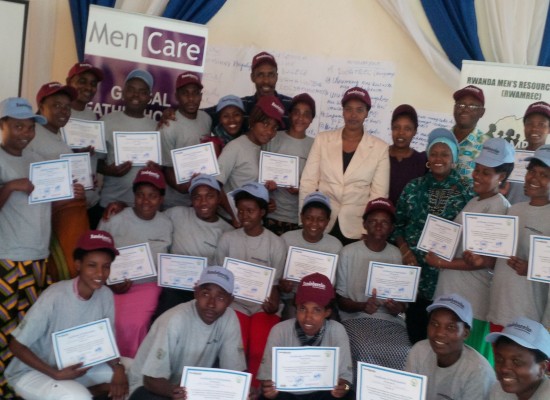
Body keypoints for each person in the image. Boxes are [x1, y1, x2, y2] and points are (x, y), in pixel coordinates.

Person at [5, 230, 128, 400]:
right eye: (92, 265)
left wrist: (119, 367)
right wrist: (55, 374)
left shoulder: (105, 295)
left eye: (106, 266)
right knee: (77, 397)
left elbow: (107, 342)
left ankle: (94, 390)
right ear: (78, 265)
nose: (100, 273)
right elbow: (16, 346)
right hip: (34, 371)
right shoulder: (55, 296)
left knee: (133, 373)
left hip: (76, 367)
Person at [432, 138, 514, 364]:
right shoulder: (475, 201)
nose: (477, 176)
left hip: (472, 305)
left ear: (502, 177)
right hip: (455, 296)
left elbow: (485, 261)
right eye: (477, 170)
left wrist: (442, 263)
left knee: (469, 364)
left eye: (486, 173)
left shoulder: (499, 207)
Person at [394, 128, 472, 344]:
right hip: (416, 280)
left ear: (454, 158)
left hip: (448, 281)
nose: (439, 158)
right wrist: (404, 249)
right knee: (416, 338)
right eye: (434, 153)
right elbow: (398, 225)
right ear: (428, 157)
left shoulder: (468, 192)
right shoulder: (413, 187)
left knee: (444, 341)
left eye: (445, 154)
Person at [127, 266, 246, 400]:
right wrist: (174, 392)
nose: (211, 304)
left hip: (188, 390)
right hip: (150, 387)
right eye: (205, 294)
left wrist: (243, 390)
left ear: (230, 300)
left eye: (220, 298)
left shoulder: (229, 318)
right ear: (196, 293)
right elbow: (150, 380)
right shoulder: (174, 320)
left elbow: (234, 373)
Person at [0, 97, 51, 399]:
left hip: (37, 259)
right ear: (2, 125)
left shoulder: (37, 161)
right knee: (4, 329)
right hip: (7, 260)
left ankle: (17, 387)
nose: (25, 132)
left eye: (30, 127)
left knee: (26, 332)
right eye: (18, 125)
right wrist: (8, 187)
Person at [216, 182, 286, 388]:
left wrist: (273, 303)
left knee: (258, 351)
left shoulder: (276, 243)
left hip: (262, 305)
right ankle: (232, 390)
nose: (244, 215)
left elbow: (275, 284)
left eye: (250, 210)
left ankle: (255, 391)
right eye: (240, 210)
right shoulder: (227, 239)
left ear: (262, 212)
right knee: (236, 349)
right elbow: (220, 279)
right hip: (234, 302)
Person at [300, 86, 390, 245]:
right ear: (342, 111)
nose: (353, 115)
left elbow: (378, 194)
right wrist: (304, 220)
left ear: (367, 113)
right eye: (348, 109)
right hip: (320, 222)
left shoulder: (380, 148)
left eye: (359, 110)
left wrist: (367, 230)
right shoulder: (323, 140)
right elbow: (308, 182)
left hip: (356, 227)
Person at [98, 167, 173, 358]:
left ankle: (131, 367)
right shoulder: (114, 219)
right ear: (133, 195)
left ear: (161, 199)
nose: (146, 201)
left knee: (136, 324)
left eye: (152, 196)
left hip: (148, 286)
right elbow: (97, 254)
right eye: (140, 195)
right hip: (112, 286)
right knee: (108, 322)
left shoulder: (167, 222)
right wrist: (110, 283)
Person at [336, 198, 410, 370]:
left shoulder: (397, 256)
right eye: (373, 221)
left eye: (384, 222)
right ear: (364, 224)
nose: (378, 226)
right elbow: (340, 301)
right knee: (364, 349)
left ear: (391, 228)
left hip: (391, 321)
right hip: (356, 319)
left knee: (406, 352)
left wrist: (396, 308)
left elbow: (403, 306)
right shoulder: (348, 252)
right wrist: (362, 306)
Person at [258, 273, 354, 400]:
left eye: (317, 310)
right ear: (295, 308)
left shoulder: (337, 331)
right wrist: (268, 390)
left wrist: (344, 388)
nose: (308, 317)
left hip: (323, 395)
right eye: (303, 308)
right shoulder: (279, 331)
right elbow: (266, 382)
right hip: (287, 395)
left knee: (350, 395)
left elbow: (346, 383)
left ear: (327, 312)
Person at [29, 82, 89, 280]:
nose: (63, 111)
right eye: (56, 105)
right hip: (41, 228)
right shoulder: (32, 135)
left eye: (67, 106)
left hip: (52, 225)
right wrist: (68, 193)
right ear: (41, 106)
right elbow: (33, 187)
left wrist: (82, 184)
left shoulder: (56, 137)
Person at [153, 174, 234, 317]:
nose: (203, 202)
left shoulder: (227, 232)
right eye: (197, 197)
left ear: (219, 199)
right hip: (173, 286)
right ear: (191, 200)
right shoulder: (176, 213)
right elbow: (149, 217)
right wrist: (121, 206)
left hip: (204, 291)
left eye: (209, 196)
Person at [488, 145, 550, 331]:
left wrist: (532, 268)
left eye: (544, 174)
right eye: (532, 171)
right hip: (500, 308)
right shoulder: (514, 209)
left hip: (529, 316)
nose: (534, 178)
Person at [405, 293, 495, 400]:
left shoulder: (478, 372)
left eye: (451, 327)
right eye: (435, 324)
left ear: (465, 334)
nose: (440, 333)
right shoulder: (419, 351)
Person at [98, 69, 157, 212]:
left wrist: (157, 169)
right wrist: (109, 171)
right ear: (123, 92)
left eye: (142, 92)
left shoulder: (157, 128)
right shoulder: (107, 121)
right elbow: (95, 163)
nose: (136, 95)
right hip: (110, 201)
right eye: (131, 89)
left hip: (144, 207)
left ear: (149, 97)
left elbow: (162, 167)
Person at [279, 191, 342, 319]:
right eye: (309, 218)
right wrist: (283, 285)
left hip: (321, 300)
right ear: (301, 217)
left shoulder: (335, 245)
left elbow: (335, 286)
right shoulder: (286, 240)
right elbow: (277, 278)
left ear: (327, 221)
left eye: (320, 220)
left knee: (331, 325)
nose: (314, 223)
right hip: (293, 299)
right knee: (293, 321)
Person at [265, 93, 315, 235]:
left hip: (299, 218)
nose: (300, 118)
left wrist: (302, 188)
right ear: (290, 114)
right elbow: (260, 174)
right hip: (272, 214)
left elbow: (320, 183)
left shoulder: (316, 145)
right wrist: (266, 190)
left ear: (311, 119)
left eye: (306, 114)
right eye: (296, 112)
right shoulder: (273, 137)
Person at [161, 71, 212, 208]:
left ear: (201, 96)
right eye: (185, 93)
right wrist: (186, 188)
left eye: (195, 93)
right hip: (175, 202)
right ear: (177, 96)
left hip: (200, 200)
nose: (191, 98)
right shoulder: (168, 127)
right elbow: (166, 169)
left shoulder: (206, 119)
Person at [205, 51, 293, 130]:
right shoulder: (241, 106)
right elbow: (202, 115)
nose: (266, 81)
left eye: (271, 75)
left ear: (276, 77)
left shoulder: (290, 105)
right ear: (252, 77)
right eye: (260, 75)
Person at [65, 61, 105, 228]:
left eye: (93, 83)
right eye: (82, 81)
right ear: (69, 82)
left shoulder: (93, 117)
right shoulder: (57, 114)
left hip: (90, 202)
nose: (88, 87)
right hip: (65, 204)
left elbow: (100, 161)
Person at [486, 317, 550, 399]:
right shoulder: (498, 390)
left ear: (542, 368)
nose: (504, 369)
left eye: (516, 361)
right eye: (499, 359)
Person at [506, 101, 550, 205]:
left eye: (541, 124)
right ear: (524, 127)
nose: (534, 128)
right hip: (510, 216)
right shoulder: (510, 157)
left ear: (549, 129)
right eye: (530, 123)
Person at [388, 104, 427, 205]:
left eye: (407, 129)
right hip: (381, 218)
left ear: (415, 131)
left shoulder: (423, 161)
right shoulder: (379, 155)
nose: (401, 133)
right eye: (396, 127)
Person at [451, 85, 490, 184]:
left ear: (482, 112)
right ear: (454, 108)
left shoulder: (488, 146)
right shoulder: (440, 139)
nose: (465, 109)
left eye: (472, 106)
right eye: (461, 105)